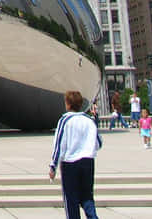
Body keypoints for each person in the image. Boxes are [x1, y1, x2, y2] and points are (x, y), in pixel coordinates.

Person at [49, 90, 102, 219]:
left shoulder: (65, 120)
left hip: (70, 163)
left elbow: (59, 144)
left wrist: (53, 165)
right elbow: (98, 142)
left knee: (71, 199)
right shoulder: (89, 120)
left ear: (68, 104)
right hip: (88, 161)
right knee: (87, 196)